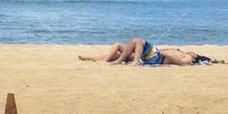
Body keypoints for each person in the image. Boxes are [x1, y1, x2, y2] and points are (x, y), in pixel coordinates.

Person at [79, 40, 216, 65]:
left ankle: (134, 62)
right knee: (118, 46)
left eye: (193, 52)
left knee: (138, 41)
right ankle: (95, 59)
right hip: (154, 54)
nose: (191, 51)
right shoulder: (182, 51)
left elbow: (182, 63)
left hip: (156, 57)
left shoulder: (188, 58)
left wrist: (168, 55)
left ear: (195, 57)